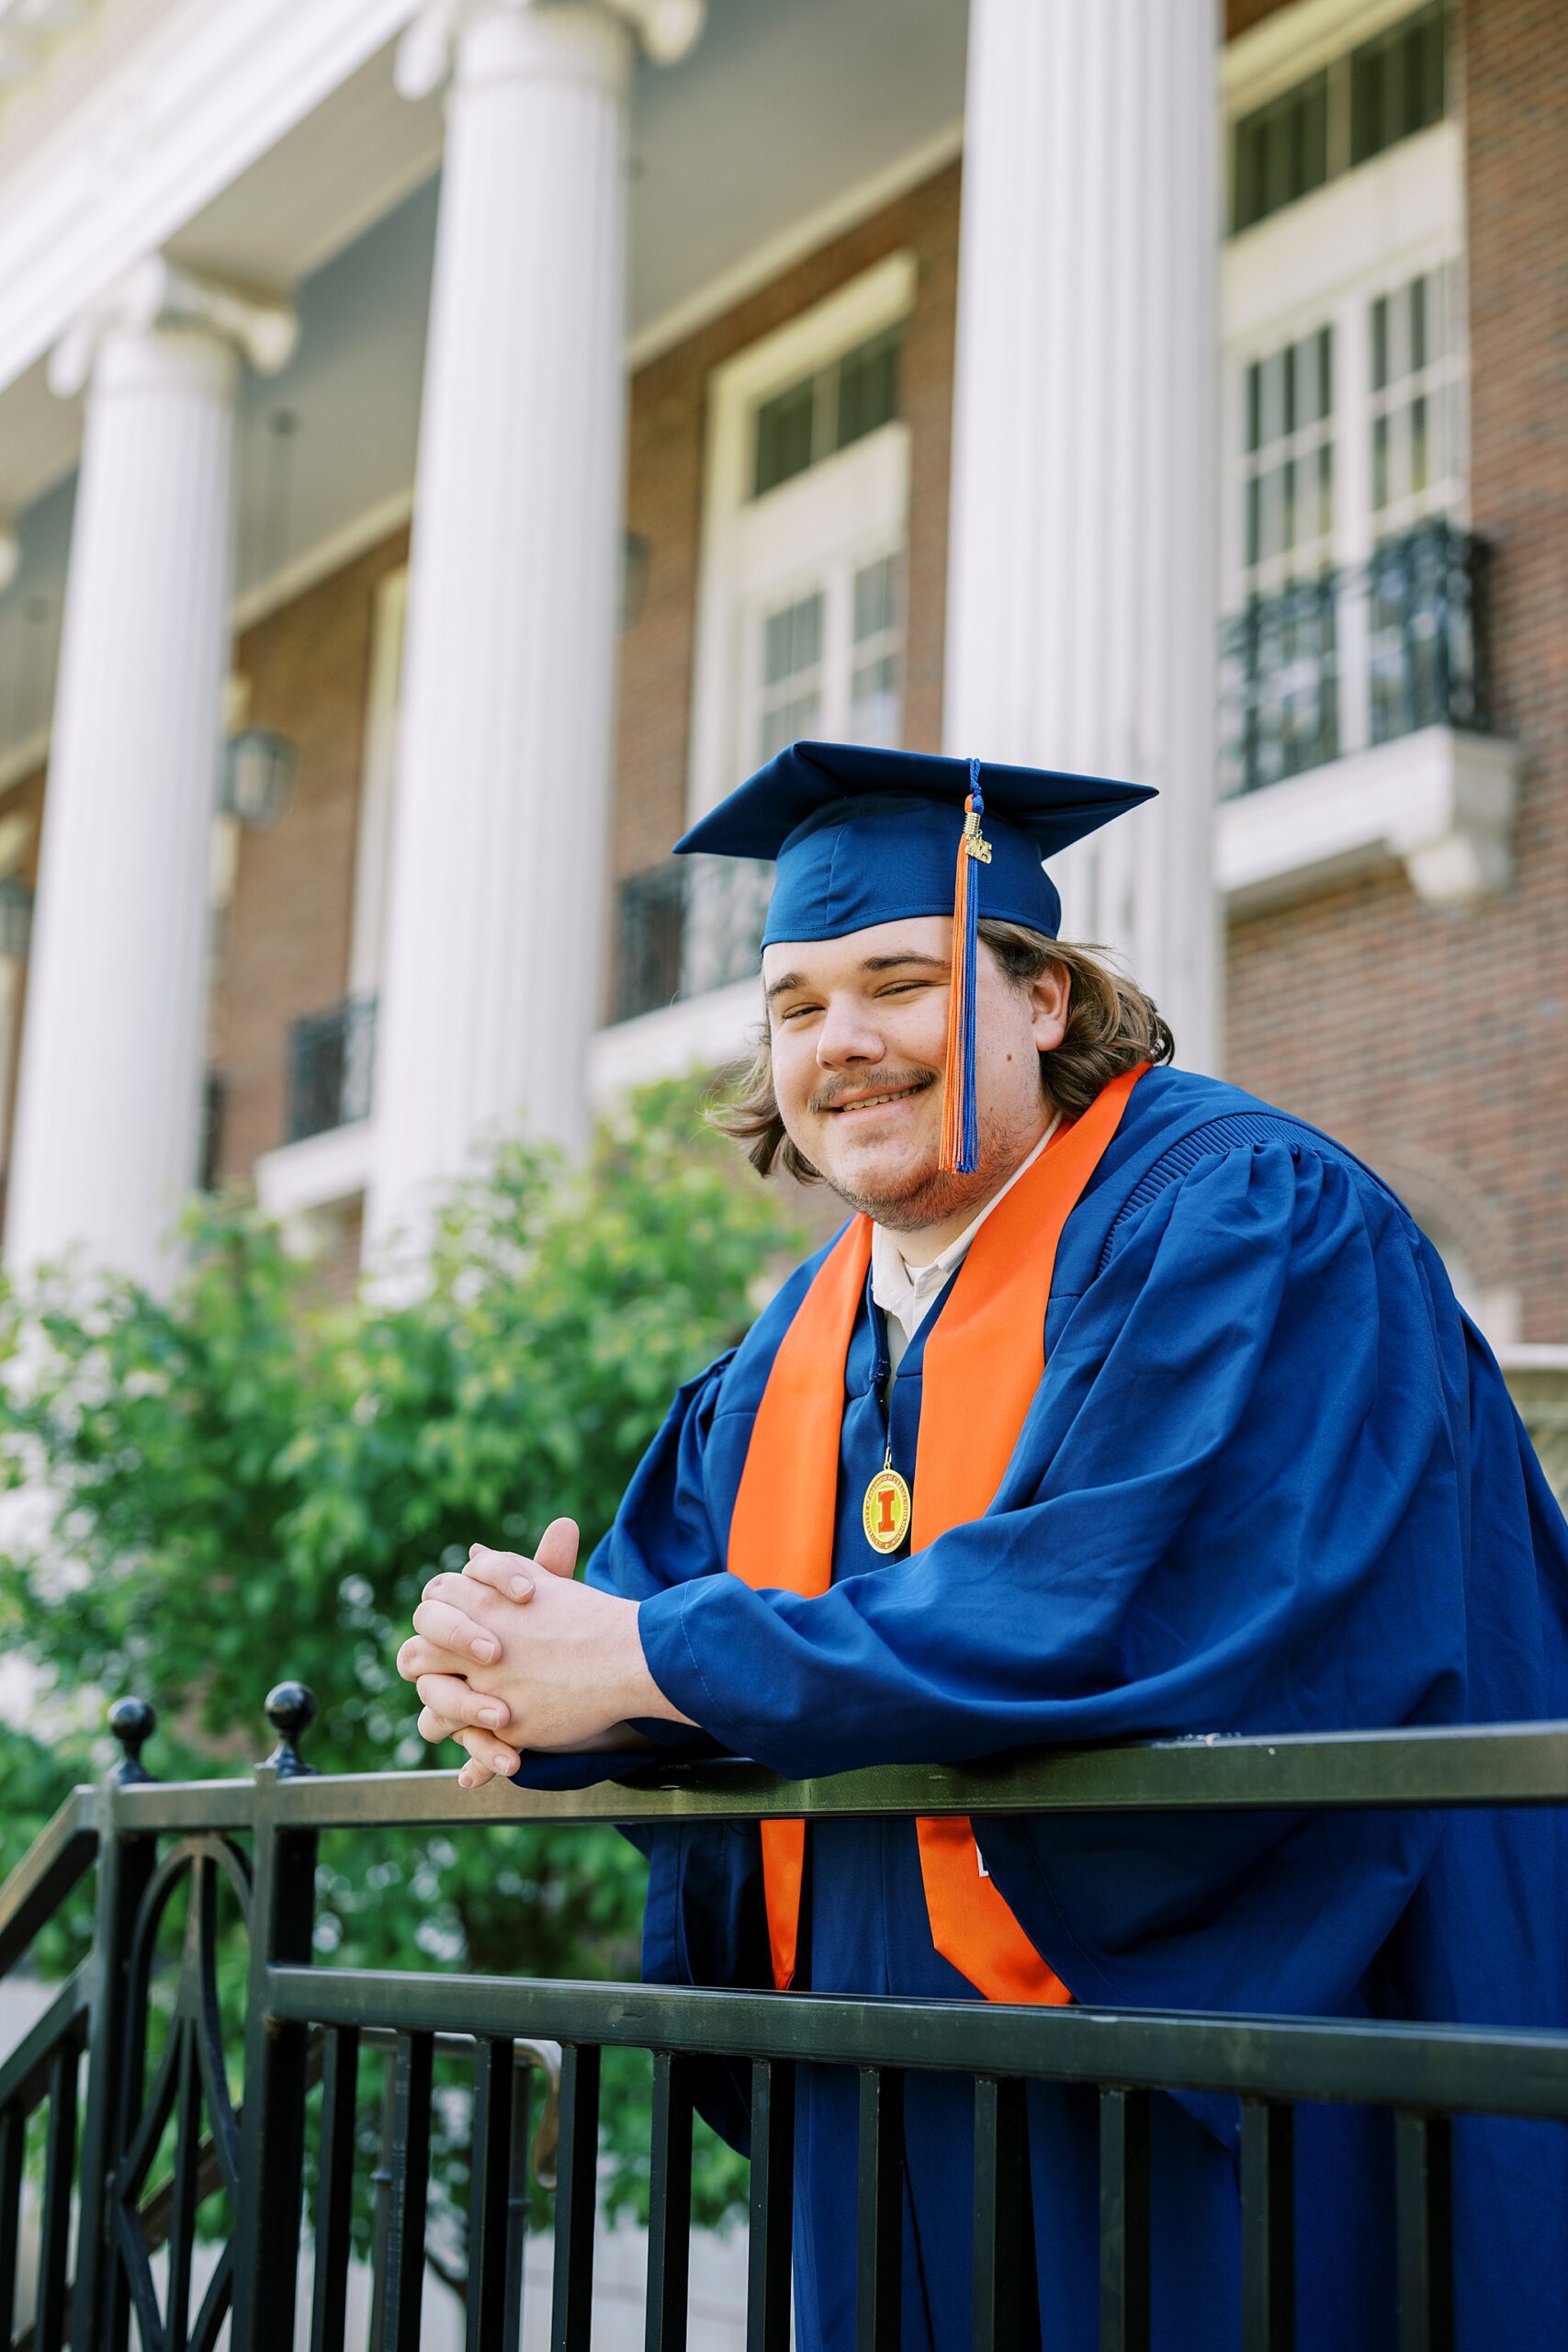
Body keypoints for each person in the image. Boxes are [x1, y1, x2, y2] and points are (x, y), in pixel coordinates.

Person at [394, 741, 1568, 2352]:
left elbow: (1108, 1605)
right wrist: (515, 1669)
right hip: (880, 2093)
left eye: (899, 981)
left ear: (1044, 1003)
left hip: (1215, 2074)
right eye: (799, 1007)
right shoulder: (797, 1339)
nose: (845, 1043)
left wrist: (644, 1656)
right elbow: (659, 1634)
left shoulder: (1251, 1218)